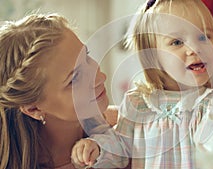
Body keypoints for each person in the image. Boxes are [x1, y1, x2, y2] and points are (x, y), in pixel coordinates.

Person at [71, 0, 213, 168]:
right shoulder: (138, 104)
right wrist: (97, 148)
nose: (195, 48)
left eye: (204, 37)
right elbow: (120, 146)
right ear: (152, 57)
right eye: (177, 42)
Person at [0, 13, 127, 169]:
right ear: (33, 109)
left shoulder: (126, 129)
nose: (99, 77)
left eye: (86, 56)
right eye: (74, 79)